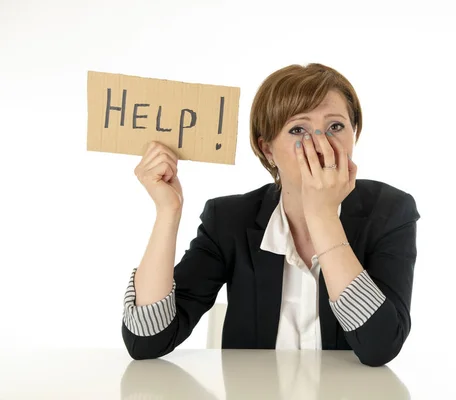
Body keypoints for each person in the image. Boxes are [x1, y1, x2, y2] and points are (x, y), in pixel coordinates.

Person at [121, 63, 420, 367]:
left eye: (336, 127)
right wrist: (167, 211)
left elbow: (381, 346)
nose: (320, 144)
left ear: (354, 134)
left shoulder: (390, 211)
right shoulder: (228, 220)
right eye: (298, 130)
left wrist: (323, 216)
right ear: (267, 150)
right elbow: (147, 340)